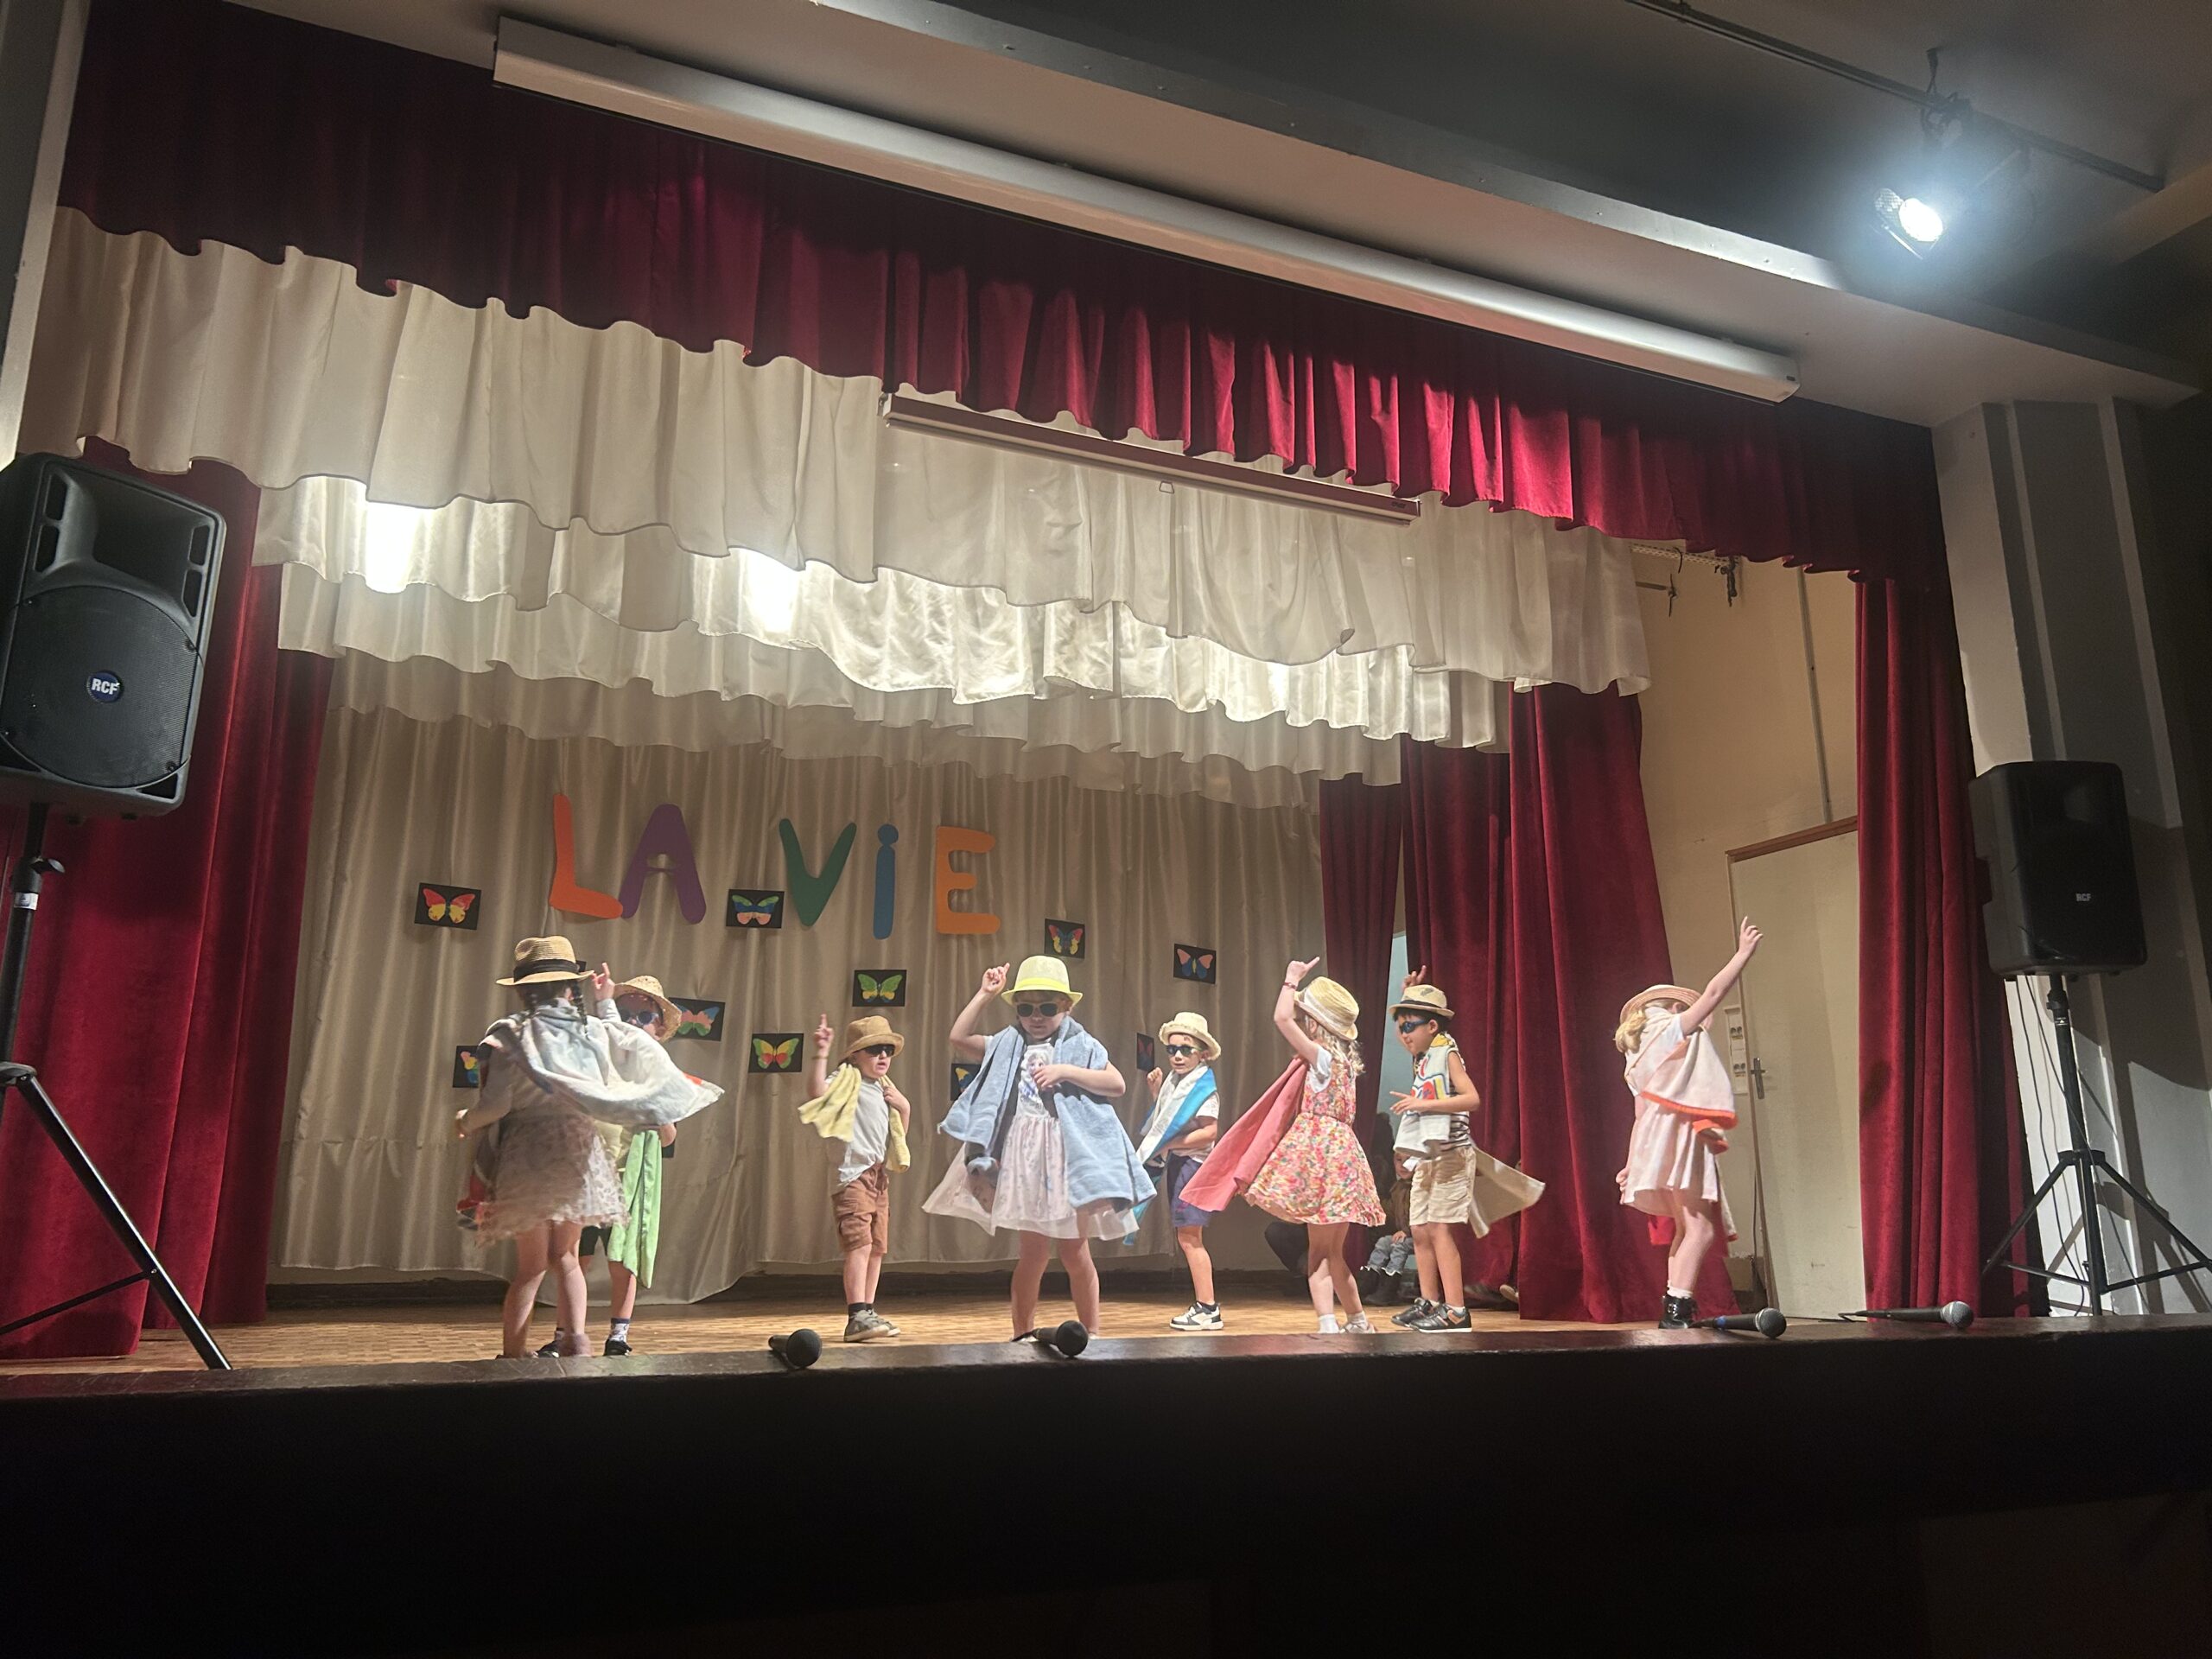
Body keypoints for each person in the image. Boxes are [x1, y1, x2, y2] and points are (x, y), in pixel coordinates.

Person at [456, 937, 719, 1359]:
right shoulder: (590, 1031)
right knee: (566, 1256)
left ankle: (514, 1353)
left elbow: (496, 1105)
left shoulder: (508, 1035)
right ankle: (576, 1340)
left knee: (531, 1266)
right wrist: (606, 1002)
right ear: (569, 988)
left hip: (529, 1150)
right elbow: (626, 1044)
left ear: (523, 991)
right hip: (579, 1148)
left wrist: (465, 1122)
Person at [925, 957, 1152, 1338]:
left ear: (1066, 1007)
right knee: (1032, 1253)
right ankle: (1021, 1333)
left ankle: (1093, 1331)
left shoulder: (1082, 1044)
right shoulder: (1006, 1044)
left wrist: (1066, 1071)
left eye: (1047, 1008)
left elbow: (1117, 1085)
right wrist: (984, 995)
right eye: (1026, 1008)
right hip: (1024, 1157)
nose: (1035, 1017)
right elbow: (959, 1038)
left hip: (1066, 1156)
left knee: (1075, 1250)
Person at [1184, 958, 1384, 1335]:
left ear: (1316, 1024)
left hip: (1322, 1159)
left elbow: (1281, 1018)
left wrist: (1291, 981)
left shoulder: (1322, 1057)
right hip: (1344, 1160)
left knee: (1318, 1255)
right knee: (1335, 1253)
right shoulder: (1346, 1064)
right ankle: (1358, 1321)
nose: (1303, 1022)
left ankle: (1327, 1325)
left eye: (1307, 1017)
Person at [1615, 919, 1762, 1328]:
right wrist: (1742, 955)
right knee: (1699, 1228)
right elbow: (1713, 995)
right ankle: (1678, 1308)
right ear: (1673, 1009)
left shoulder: (1634, 1058)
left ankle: (1674, 1306)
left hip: (1654, 1141)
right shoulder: (1669, 1031)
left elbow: (1639, 1116)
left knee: (1686, 1226)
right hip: (1679, 1133)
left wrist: (1632, 1163)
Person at [1385, 976, 1544, 1333]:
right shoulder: (1424, 1056)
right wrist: (1406, 995)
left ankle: (1456, 1311)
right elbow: (1407, 1029)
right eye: (1401, 1027)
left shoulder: (1447, 1053)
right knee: (1419, 1229)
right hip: (1430, 1157)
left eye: (1410, 1027)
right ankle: (1429, 1302)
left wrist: (1424, 1105)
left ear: (1432, 1026)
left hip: (1453, 1156)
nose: (1404, 1035)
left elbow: (1472, 1099)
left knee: (1440, 1229)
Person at [561, 974, 685, 1357]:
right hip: (587, 1179)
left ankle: (618, 1335)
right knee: (574, 1258)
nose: (633, 1022)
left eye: (644, 1016)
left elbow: (669, 1138)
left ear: (658, 1029)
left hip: (627, 1184)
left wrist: (656, 1110)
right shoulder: (599, 1060)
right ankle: (567, 1333)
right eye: (626, 1013)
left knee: (623, 1260)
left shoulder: (658, 1075)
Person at [801, 1012, 913, 1343]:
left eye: (887, 1050)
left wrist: (904, 1108)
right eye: (875, 1049)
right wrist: (822, 1052)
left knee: (877, 1247)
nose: (883, 1056)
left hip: (877, 1176)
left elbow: (896, 1138)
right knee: (859, 1245)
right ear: (854, 1055)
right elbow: (817, 1092)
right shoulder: (846, 1079)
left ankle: (868, 1311)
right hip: (853, 1176)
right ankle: (856, 1315)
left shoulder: (884, 1088)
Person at [1135, 1012, 1225, 1331]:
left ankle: (1208, 1307)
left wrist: (1170, 1143)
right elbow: (1169, 1120)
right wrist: (1156, 1092)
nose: (1177, 1055)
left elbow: (1209, 1132)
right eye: (1172, 1049)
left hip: (1195, 1167)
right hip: (1181, 1163)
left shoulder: (1203, 1088)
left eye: (1185, 1049)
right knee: (1186, 1236)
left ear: (1203, 1053)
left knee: (1189, 1237)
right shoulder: (1177, 1083)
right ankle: (1205, 1306)